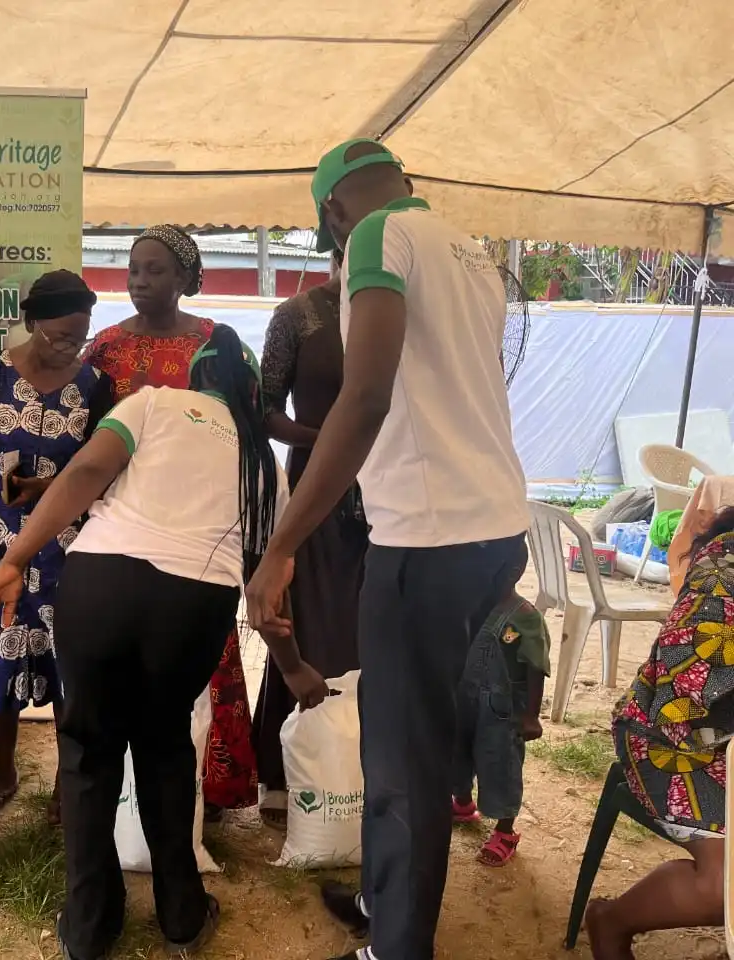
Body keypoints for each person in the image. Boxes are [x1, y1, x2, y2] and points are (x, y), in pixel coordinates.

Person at [244, 139, 530, 960]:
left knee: (401, 755)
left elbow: (364, 397)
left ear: (334, 211)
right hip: (491, 531)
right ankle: (384, 896)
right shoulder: (471, 252)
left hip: (427, 541)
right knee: (415, 733)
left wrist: (281, 546)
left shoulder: (374, 237)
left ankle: (394, 947)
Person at [0, 324, 319, 960]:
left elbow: (85, 472)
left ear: (197, 378)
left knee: (87, 754)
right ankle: (182, 921)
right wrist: (295, 667)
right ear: (249, 392)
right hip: (191, 607)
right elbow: (272, 592)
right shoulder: (266, 467)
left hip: (100, 584)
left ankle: (88, 928)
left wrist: (15, 559)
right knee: (164, 748)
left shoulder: (155, 402)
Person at [85, 225, 258, 820]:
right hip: (128, 526)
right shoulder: (105, 349)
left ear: (185, 277)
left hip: (201, 532)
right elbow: (89, 441)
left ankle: (209, 788)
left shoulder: (218, 347)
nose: (139, 281)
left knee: (201, 655)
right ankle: (125, 795)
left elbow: (251, 428)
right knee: (122, 662)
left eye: (155, 270)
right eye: (133, 269)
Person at [0, 270, 114, 823]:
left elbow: (96, 470)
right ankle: (4, 769)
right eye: (58, 337)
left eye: (79, 337)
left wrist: (46, 488)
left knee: (67, 665)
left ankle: (63, 780)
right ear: (30, 324)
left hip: (69, 549)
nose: (69, 348)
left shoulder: (96, 386)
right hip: (2, 543)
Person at [586, 507, 734, 959]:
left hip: (719, 742)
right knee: (723, 888)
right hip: (670, 740)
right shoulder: (721, 581)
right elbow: (680, 685)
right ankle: (610, 922)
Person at [252, 249, 367, 827]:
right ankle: (283, 772)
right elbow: (265, 410)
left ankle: (357, 772)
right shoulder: (297, 315)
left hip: (389, 492)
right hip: (316, 489)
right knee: (308, 623)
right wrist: (329, 437)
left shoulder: (399, 310)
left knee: (370, 629)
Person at [451, 545, 549, 866]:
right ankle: (462, 803)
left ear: (512, 573)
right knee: (457, 752)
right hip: (463, 699)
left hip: (501, 709)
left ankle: (505, 830)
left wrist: (531, 716)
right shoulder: (470, 605)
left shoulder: (525, 618)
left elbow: (536, 666)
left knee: (500, 764)